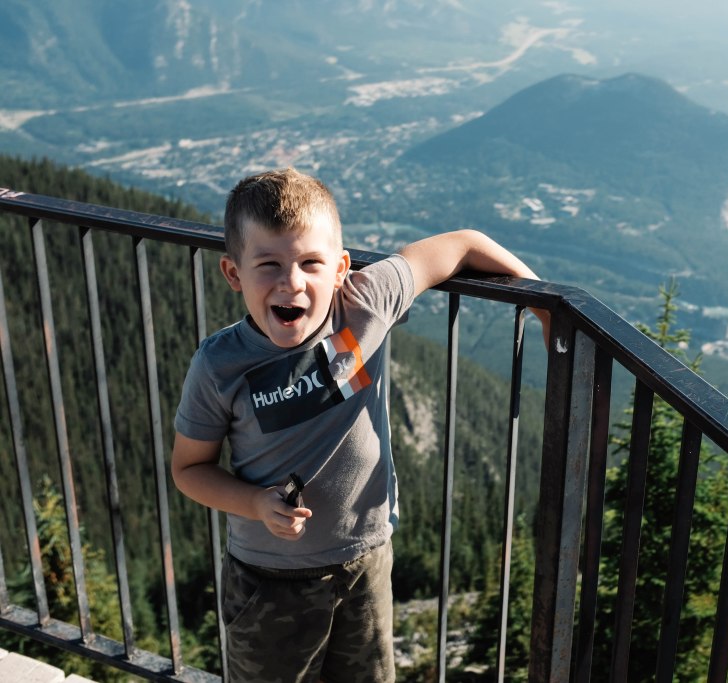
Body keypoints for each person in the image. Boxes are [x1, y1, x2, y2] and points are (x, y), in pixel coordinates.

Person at [171, 168, 547, 683]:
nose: (292, 282)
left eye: (311, 263)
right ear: (233, 274)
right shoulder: (219, 366)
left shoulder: (362, 306)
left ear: (340, 269)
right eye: (268, 264)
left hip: (365, 563)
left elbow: (463, 245)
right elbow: (189, 469)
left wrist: (541, 302)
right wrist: (256, 504)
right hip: (269, 581)